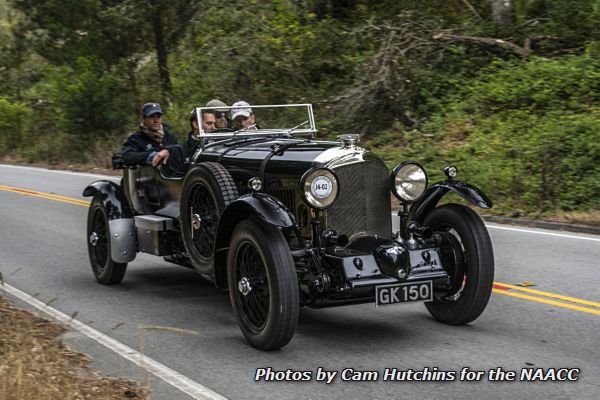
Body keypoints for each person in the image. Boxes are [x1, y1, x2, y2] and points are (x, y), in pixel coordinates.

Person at [121, 102, 186, 176]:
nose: (156, 121)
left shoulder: (170, 136)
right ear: (144, 118)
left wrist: (168, 150)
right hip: (147, 181)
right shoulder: (135, 138)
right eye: (152, 117)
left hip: (171, 178)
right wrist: (152, 155)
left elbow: (179, 152)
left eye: (158, 117)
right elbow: (127, 156)